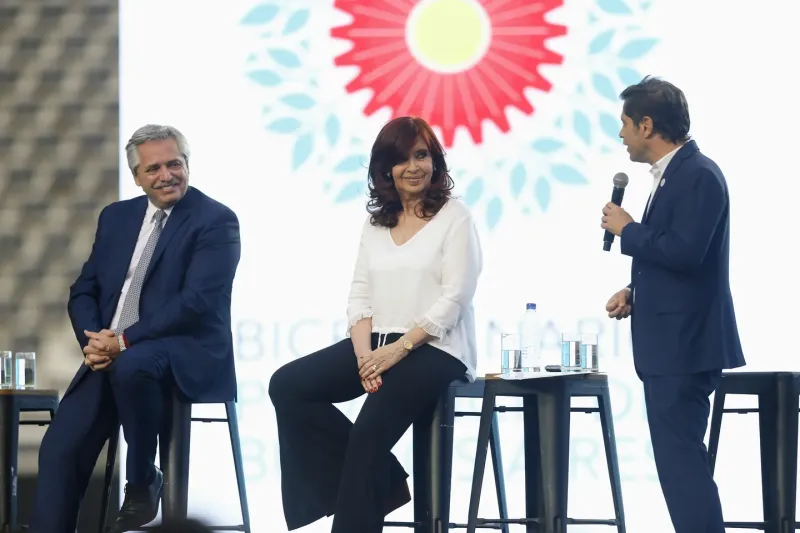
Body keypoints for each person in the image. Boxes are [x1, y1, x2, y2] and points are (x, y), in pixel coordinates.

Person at [269, 116, 482, 533]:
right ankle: (383, 479)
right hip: (378, 343)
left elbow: (454, 299)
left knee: (367, 436)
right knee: (288, 386)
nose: (413, 167)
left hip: (436, 349)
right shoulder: (375, 222)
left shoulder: (456, 217)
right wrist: (366, 355)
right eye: (401, 159)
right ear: (385, 169)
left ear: (435, 162)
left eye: (421, 155)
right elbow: (359, 295)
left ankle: (368, 491)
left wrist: (396, 351)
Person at [30, 125, 241, 533]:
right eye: (154, 168)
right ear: (137, 177)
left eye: (174, 164)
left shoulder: (216, 220)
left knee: (132, 367)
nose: (166, 175)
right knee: (60, 447)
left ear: (187, 165)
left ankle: (142, 481)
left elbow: (196, 302)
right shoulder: (116, 217)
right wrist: (95, 341)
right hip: (113, 352)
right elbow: (84, 290)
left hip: (185, 349)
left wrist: (123, 341)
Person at [601, 76, 745, 533]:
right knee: (678, 466)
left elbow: (686, 251)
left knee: (682, 468)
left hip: (684, 348)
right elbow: (679, 260)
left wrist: (628, 229)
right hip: (671, 345)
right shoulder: (674, 176)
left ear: (647, 125)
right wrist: (637, 293)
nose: (620, 134)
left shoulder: (698, 174)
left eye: (624, 124)